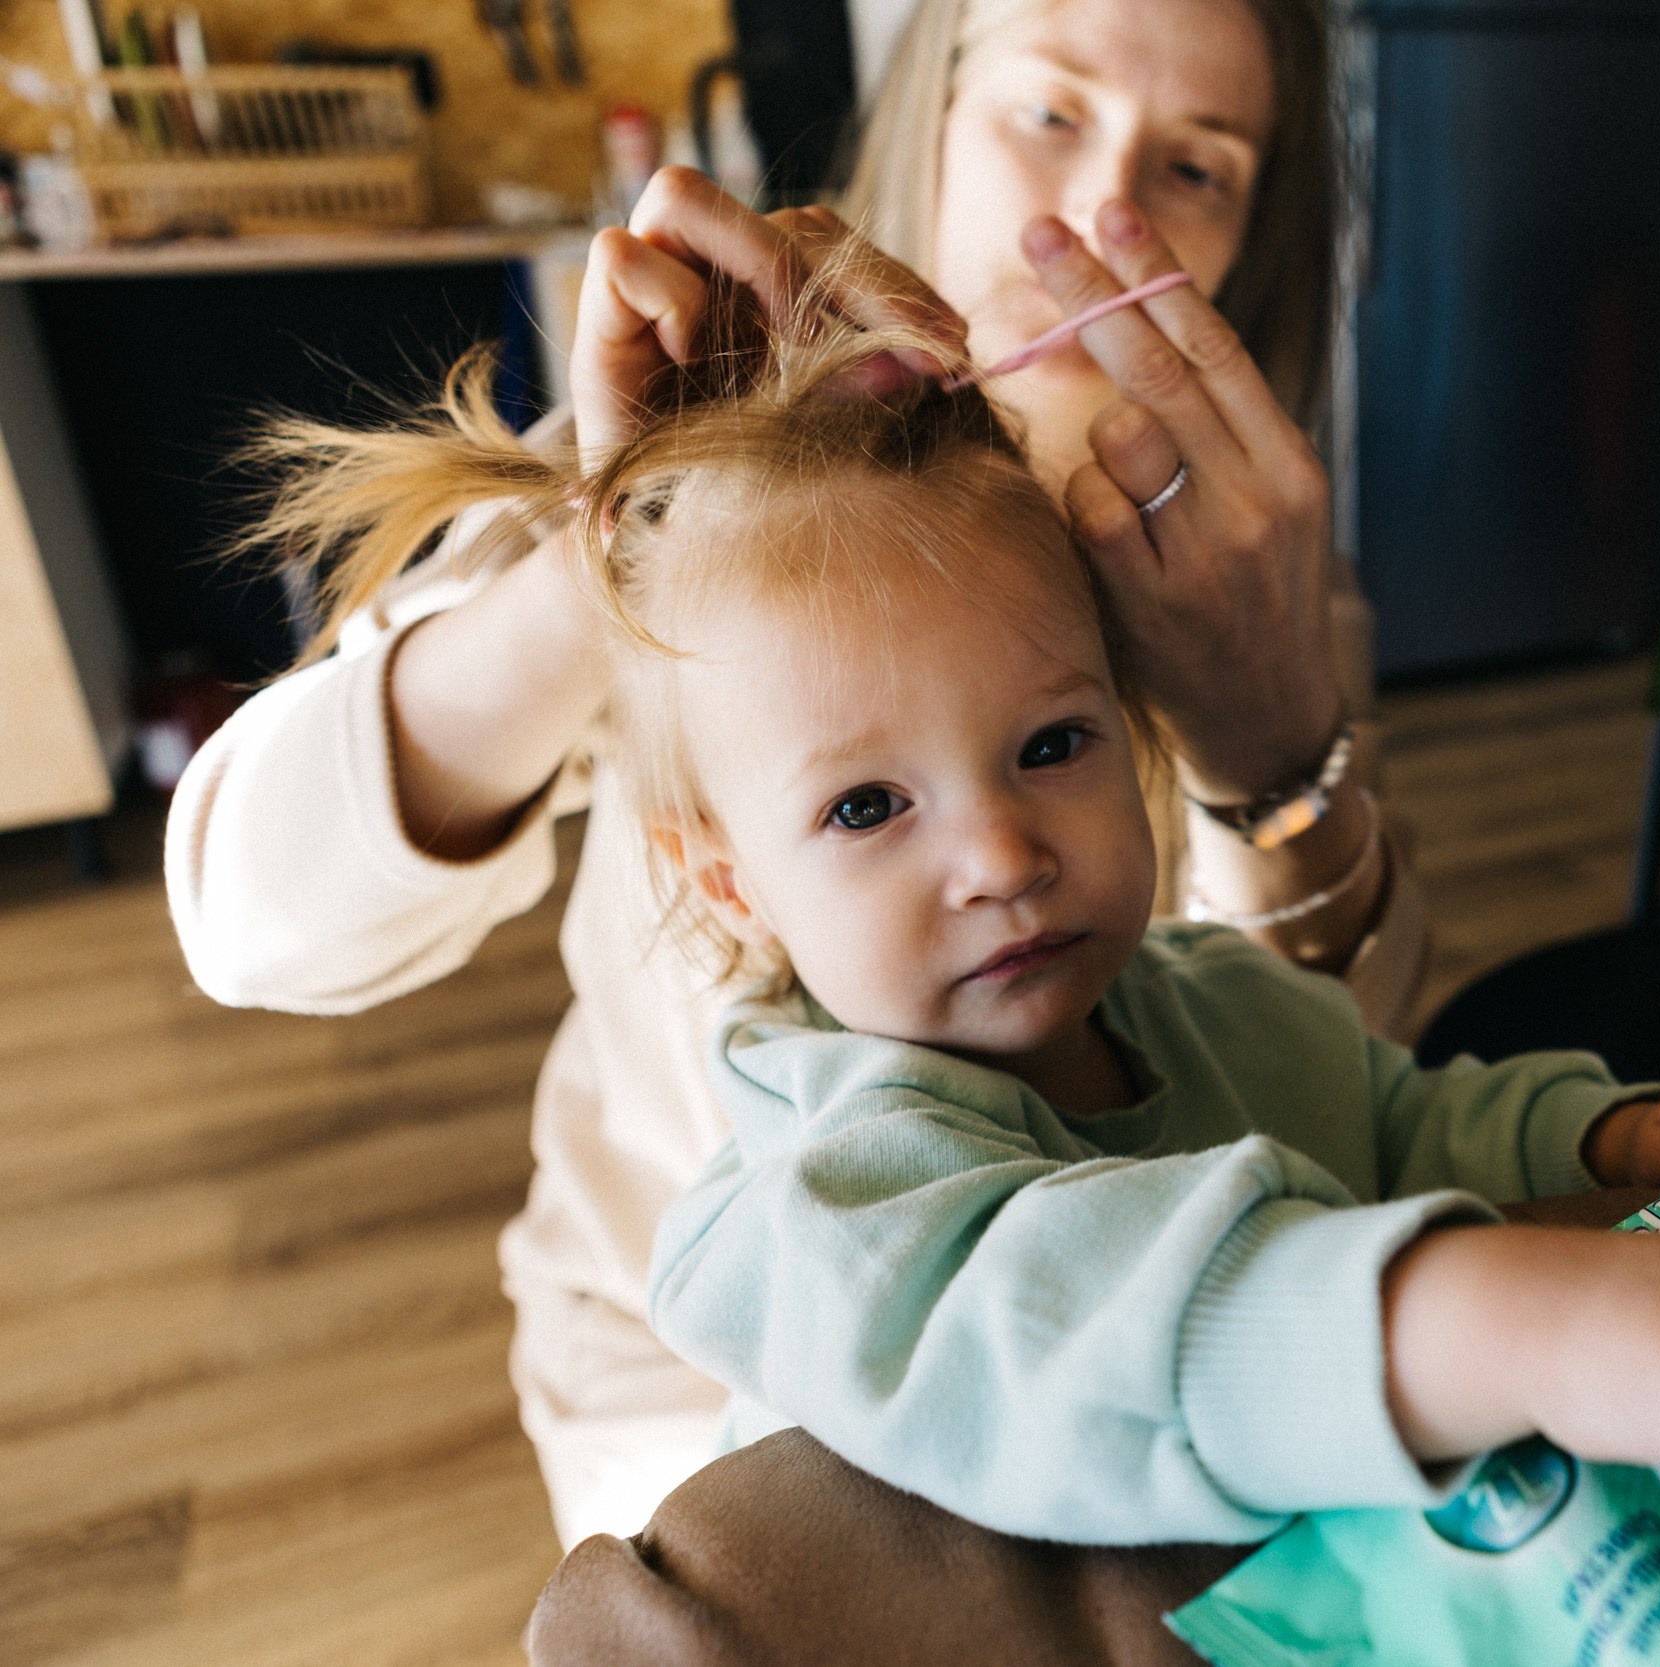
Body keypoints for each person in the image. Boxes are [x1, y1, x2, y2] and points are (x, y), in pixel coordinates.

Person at [245, 293, 1660, 1614]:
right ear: (723, 885)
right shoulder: (802, 1200)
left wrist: (1591, 1144)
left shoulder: (1213, 998)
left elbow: (1400, 1124)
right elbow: (1085, 1319)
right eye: (863, 809)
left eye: (1053, 747)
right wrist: (1581, 1318)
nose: (999, 849)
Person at [168, 0, 1413, 1547]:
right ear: (931, 120)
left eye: (1199, 168)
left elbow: (1334, 1107)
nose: (1102, 212)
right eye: (1047, 111)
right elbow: (247, 922)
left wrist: (1272, 763)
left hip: (1128, 1354)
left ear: (1247, 251)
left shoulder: (1258, 579)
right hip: (688, 1402)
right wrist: (611, 558)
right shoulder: (671, 464)